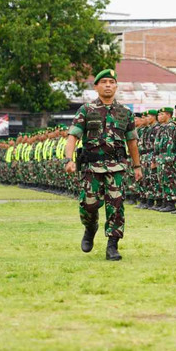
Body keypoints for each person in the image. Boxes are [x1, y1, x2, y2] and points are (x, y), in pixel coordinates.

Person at [64, 69, 142, 261]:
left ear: (116, 86)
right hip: (91, 167)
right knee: (88, 205)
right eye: (104, 82)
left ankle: (112, 246)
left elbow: (131, 142)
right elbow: (73, 136)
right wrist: (68, 160)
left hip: (116, 167)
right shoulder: (86, 110)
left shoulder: (125, 113)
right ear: (96, 86)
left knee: (116, 206)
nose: (108, 85)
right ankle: (90, 228)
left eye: (111, 81)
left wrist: (137, 166)